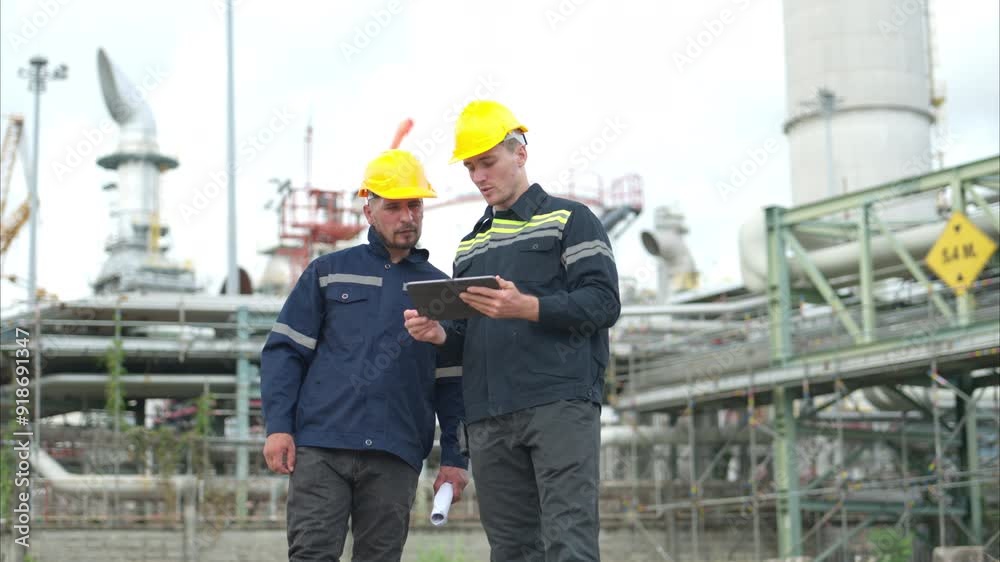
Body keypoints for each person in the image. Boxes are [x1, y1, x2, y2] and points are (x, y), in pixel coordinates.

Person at [404, 100, 620, 562]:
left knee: (569, 542)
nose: (479, 177)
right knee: (510, 549)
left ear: (520, 154)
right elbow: (466, 337)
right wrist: (440, 335)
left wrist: (530, 307)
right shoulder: (469, 247)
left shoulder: (570, 220)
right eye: (470, 167)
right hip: (489, 416)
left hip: (558, 405)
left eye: (487, 162)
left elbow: (603, 303)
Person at [261, 149, 469, 562]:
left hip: (396, 453)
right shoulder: (328, 272)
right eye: (394, 207)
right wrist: (278, 426)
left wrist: (455, 458)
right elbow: (285, 351)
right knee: (311, 555)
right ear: (369, 211)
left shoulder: (440, 289)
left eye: (415, 205)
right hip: (322, 447)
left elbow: (454, 382)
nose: (407, 217)